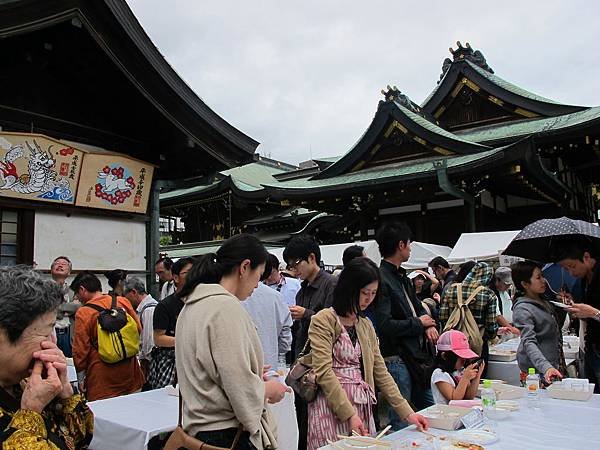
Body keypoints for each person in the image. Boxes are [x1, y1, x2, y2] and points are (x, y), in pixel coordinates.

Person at [175, 234, 289, 450]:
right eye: (259, 275)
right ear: (245, 267)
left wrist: (252, 371)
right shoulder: (225, 308)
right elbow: (238, 386)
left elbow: (213, 370)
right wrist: (268, 389)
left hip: (200, 430)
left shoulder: (193, 305)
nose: (259, 284)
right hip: (225, 433)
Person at [307, 258, 428, 450]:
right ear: (349, 289)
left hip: (362, 404)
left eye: (373, 293)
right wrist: (349, 414)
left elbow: (381, 372)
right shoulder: (324, 319)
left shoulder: (365, 325)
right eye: (364, 293)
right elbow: (324, 372)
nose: (368, 299)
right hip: (331, 406)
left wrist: (407, 412)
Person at [0, 266, 93, 448]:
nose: (52, 343)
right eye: (44, 335)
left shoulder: (28, 382)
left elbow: (82, 438)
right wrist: (30, 414)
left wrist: (65, 395)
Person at [372, 222, 437, 430]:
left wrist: (427, 325)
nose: (410, 248)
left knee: (430, 410)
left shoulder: (403, 277)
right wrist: (419, 324)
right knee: (401, 418)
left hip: (415, 356)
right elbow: (384, 324)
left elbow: (418, 308)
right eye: (409, 244)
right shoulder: (382, 279)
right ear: (401, 245)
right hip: (396, 357)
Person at [283, 234, 337, 450]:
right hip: (303, 363)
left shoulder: (332, 284)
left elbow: (335, 325)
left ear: (312, 258)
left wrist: (306, 314)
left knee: (318, 422)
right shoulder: (302, 288)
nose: (294, 270)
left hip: (321, 366)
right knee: (302, 421)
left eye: (295, 264)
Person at [71, 271, 144, 401]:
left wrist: (81, 378)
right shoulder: (122, 301)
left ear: (82, 290)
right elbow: (138, 328)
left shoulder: (83, 313)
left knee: (104, 417)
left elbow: (80, 350)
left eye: (76, 293)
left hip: (101, 377)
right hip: (130, 372)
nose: (77, 297)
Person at [511, 260, 566, 383]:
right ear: (525, 284)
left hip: (554, 363)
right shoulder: (522, 308)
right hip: (536, 371)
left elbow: (554, 328)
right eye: (538, 277)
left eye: (543, 276)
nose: (543, 280)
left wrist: (564, 306)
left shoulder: (545, 301)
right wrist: (546, 367)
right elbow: (528, 342)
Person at [148, 257, 195, 389]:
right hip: (172, 363)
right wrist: (187, 341)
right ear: (176, 277)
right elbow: (158, 338)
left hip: (196, 360)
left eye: (196, 272)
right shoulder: (165, 306)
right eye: (188, 272)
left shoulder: (201, 302)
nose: (194, 276)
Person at [440, 262, 498, 358]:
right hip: (477, 340)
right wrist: (492, 336)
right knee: (476, 370)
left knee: (455, 370)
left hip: (454, 342)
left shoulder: (452, 289)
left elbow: (443, 316)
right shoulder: (488, 294)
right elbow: (491, 324)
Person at [243, 267, 293, 369]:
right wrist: (275, 351)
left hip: (242, 368)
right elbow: (286, 335)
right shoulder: (276, 296)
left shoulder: (229, 297)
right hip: (269, 365)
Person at [431, 330, 484, 405]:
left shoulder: (459, 370)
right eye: (460, 357)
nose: (464, 360)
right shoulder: (439, 374)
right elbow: (454, 399)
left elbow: (469, 397)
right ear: (444, 356)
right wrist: (465, 378)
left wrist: (476, 377)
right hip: (446, 413)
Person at [123, 276, 158, 379]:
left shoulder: (149, 309)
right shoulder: (143, 309)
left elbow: (149, 342)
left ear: (133, 292)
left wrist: (144, 363)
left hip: (150, 365)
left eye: (126, 296)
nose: (126, 301)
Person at [51, 255, 79, 357]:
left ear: (69, 272)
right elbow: (46, 309)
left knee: (69, 366)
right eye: (57, 263)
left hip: (68, 334)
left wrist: (58, 309)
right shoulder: (43, 288)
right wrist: (69, 308)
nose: (60, 265)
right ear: (51, 269)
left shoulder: (73, 291)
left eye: (64, 264)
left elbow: (79, 307)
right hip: (50, 332)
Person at [490, 267, 520, 336]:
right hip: (502, 331)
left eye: (509, 284)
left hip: (510, 328)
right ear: (497, 280)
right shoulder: (492, 294)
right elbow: (497, 315)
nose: (508, 286)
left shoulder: (505, 292)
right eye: (505, 284)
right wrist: (511, 328)